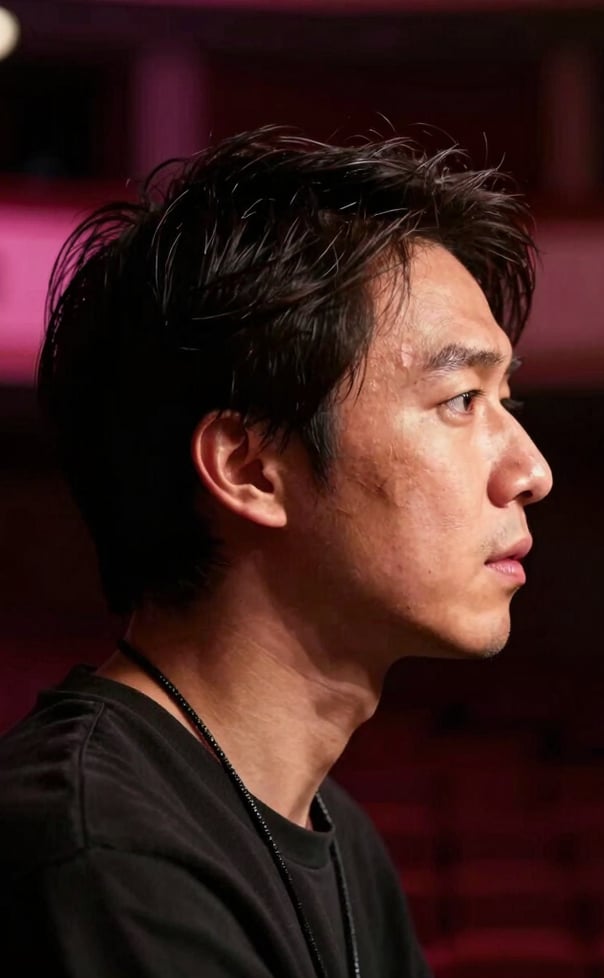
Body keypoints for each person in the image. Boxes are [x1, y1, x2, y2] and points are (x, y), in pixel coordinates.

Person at [0, 127, 552, 977]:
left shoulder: (337, 833)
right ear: (251, 469)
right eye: (460, 398)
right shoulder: (104, 851)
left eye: (505, 399)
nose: (531, 471)